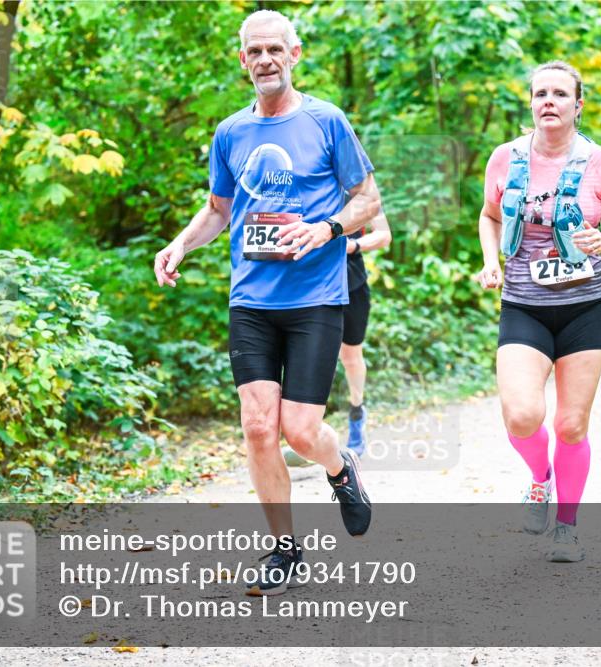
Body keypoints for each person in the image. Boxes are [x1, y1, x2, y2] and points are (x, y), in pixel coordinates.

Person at [153, 10, 383, 595]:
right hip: (251, 300)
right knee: (258, 427)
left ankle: (340, 467)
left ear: (294, 54)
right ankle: (285, 550)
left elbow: (368, 200)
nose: (265, 60)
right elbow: (219, 210)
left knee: (300, 432)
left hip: (315, 298)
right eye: (254, 51)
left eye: (274, 49)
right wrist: (180, 244)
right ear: (243, 60)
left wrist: (327, 228)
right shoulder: (230, 132)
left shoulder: (326, 121)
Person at [478, 61, 601, 562]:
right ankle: (539, 477)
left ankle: (566, 528)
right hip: (524, 304)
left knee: (571, 425)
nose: (548, 101)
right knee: (522, 415)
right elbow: (489, 216)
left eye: (560, 94)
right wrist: (490, 261)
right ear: (531, 103)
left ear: (578, 105)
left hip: (585, 306)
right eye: (540, 93)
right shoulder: (506, 158)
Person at [340, 214, 392, 455]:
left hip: (352, 282)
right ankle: (307, 428)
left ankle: (356, 412)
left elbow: (384, 235)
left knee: (351, 357)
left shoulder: (359, 194)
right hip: (308, 283)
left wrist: (353, 245)